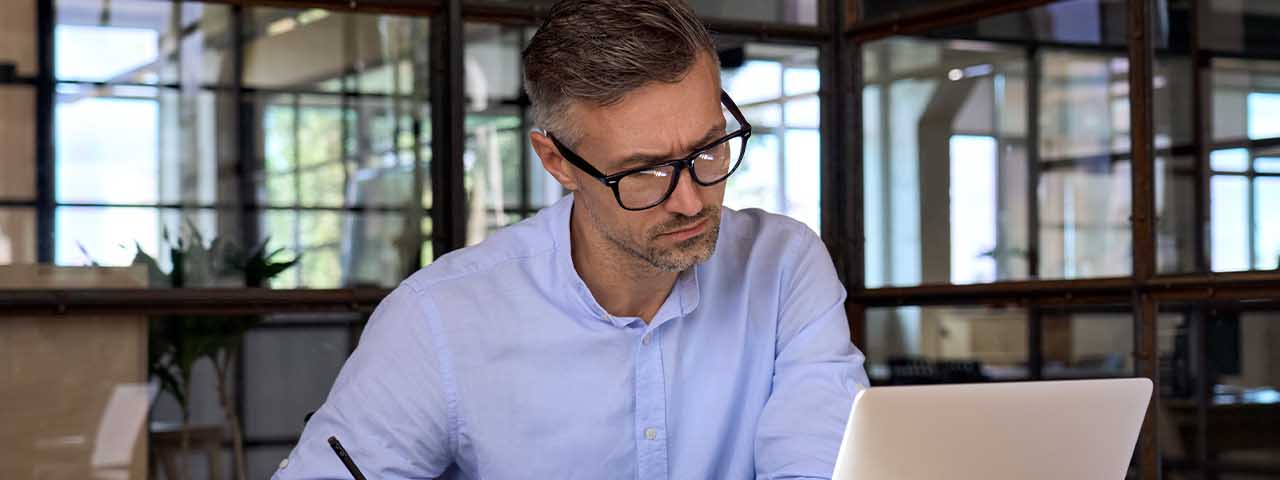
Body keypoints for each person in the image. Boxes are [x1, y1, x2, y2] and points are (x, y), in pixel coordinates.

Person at [273, 0, 867, 478]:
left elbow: (824, 465)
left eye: (708, 149)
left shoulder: (784, 266)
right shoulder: (439, 318)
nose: (691, 199)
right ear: (556, 161)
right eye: (644, 172)